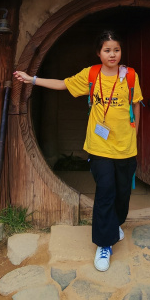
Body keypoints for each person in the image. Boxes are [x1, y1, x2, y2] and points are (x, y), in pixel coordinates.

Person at [14, 30, 142, 273]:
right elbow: (63, 84)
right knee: (105, 191)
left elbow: (136, 104)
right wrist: (32, 79)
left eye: (116, 50)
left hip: (125, 147)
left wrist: (135, 135)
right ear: (99, 53)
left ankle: (114, 224)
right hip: (99, 146)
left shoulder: (130, 76)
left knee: (122, 194)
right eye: (107, 50)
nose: (112, 54)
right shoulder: (91, 74)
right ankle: (104, 244)